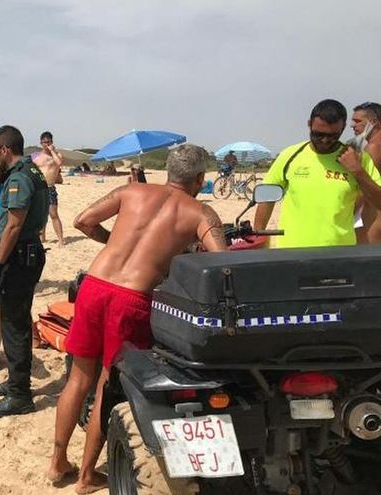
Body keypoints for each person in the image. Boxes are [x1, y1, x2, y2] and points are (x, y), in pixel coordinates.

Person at [47, 144, 226, 493]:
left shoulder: (132, 191)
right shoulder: (202, 213)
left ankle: (57, 463)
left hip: (94, 285)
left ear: (168, 171)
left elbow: (82, 220)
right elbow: (222, 263)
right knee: (105, 384)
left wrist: (113, 241)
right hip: (133, 299)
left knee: (78, 378)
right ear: (201, 179)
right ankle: (85, 476)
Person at [0, 125, 49, 418]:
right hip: (26, 254)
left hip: (19, 257)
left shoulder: (20, 177)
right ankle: (15, 381)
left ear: (5, 150)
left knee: (14, 324)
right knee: (15, 320)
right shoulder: (31, 171)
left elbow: (13, 225)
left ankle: (21, 394)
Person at [254, 99, 381, 248]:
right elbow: (266, 199)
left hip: (339, 254)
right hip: (292, 253)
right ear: (309, 124)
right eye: (319, 134)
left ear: (343, 128)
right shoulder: (290, 155)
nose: (325, 140)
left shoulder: (357, 158)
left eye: (333, 135)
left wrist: (357, 171)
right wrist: (258, 239)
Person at [350, 102, 381, 244]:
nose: (352, 125)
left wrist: (349, 213)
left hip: (374, 216)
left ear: (374, 122)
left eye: (357, 121)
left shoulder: (373, 148)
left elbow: (365, 187)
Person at [34, 131, 66, 248]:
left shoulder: (56, 155)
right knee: (40, 214)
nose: (46, 144)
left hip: (50, 187)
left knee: (53, 214)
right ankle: (42, 237)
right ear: (41, 143)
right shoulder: (37, 157)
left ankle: (61, 240)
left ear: (52, 142)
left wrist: (52, 150)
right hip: (39, 188)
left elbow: (59, 163)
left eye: (49, 142)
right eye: (44, 142)